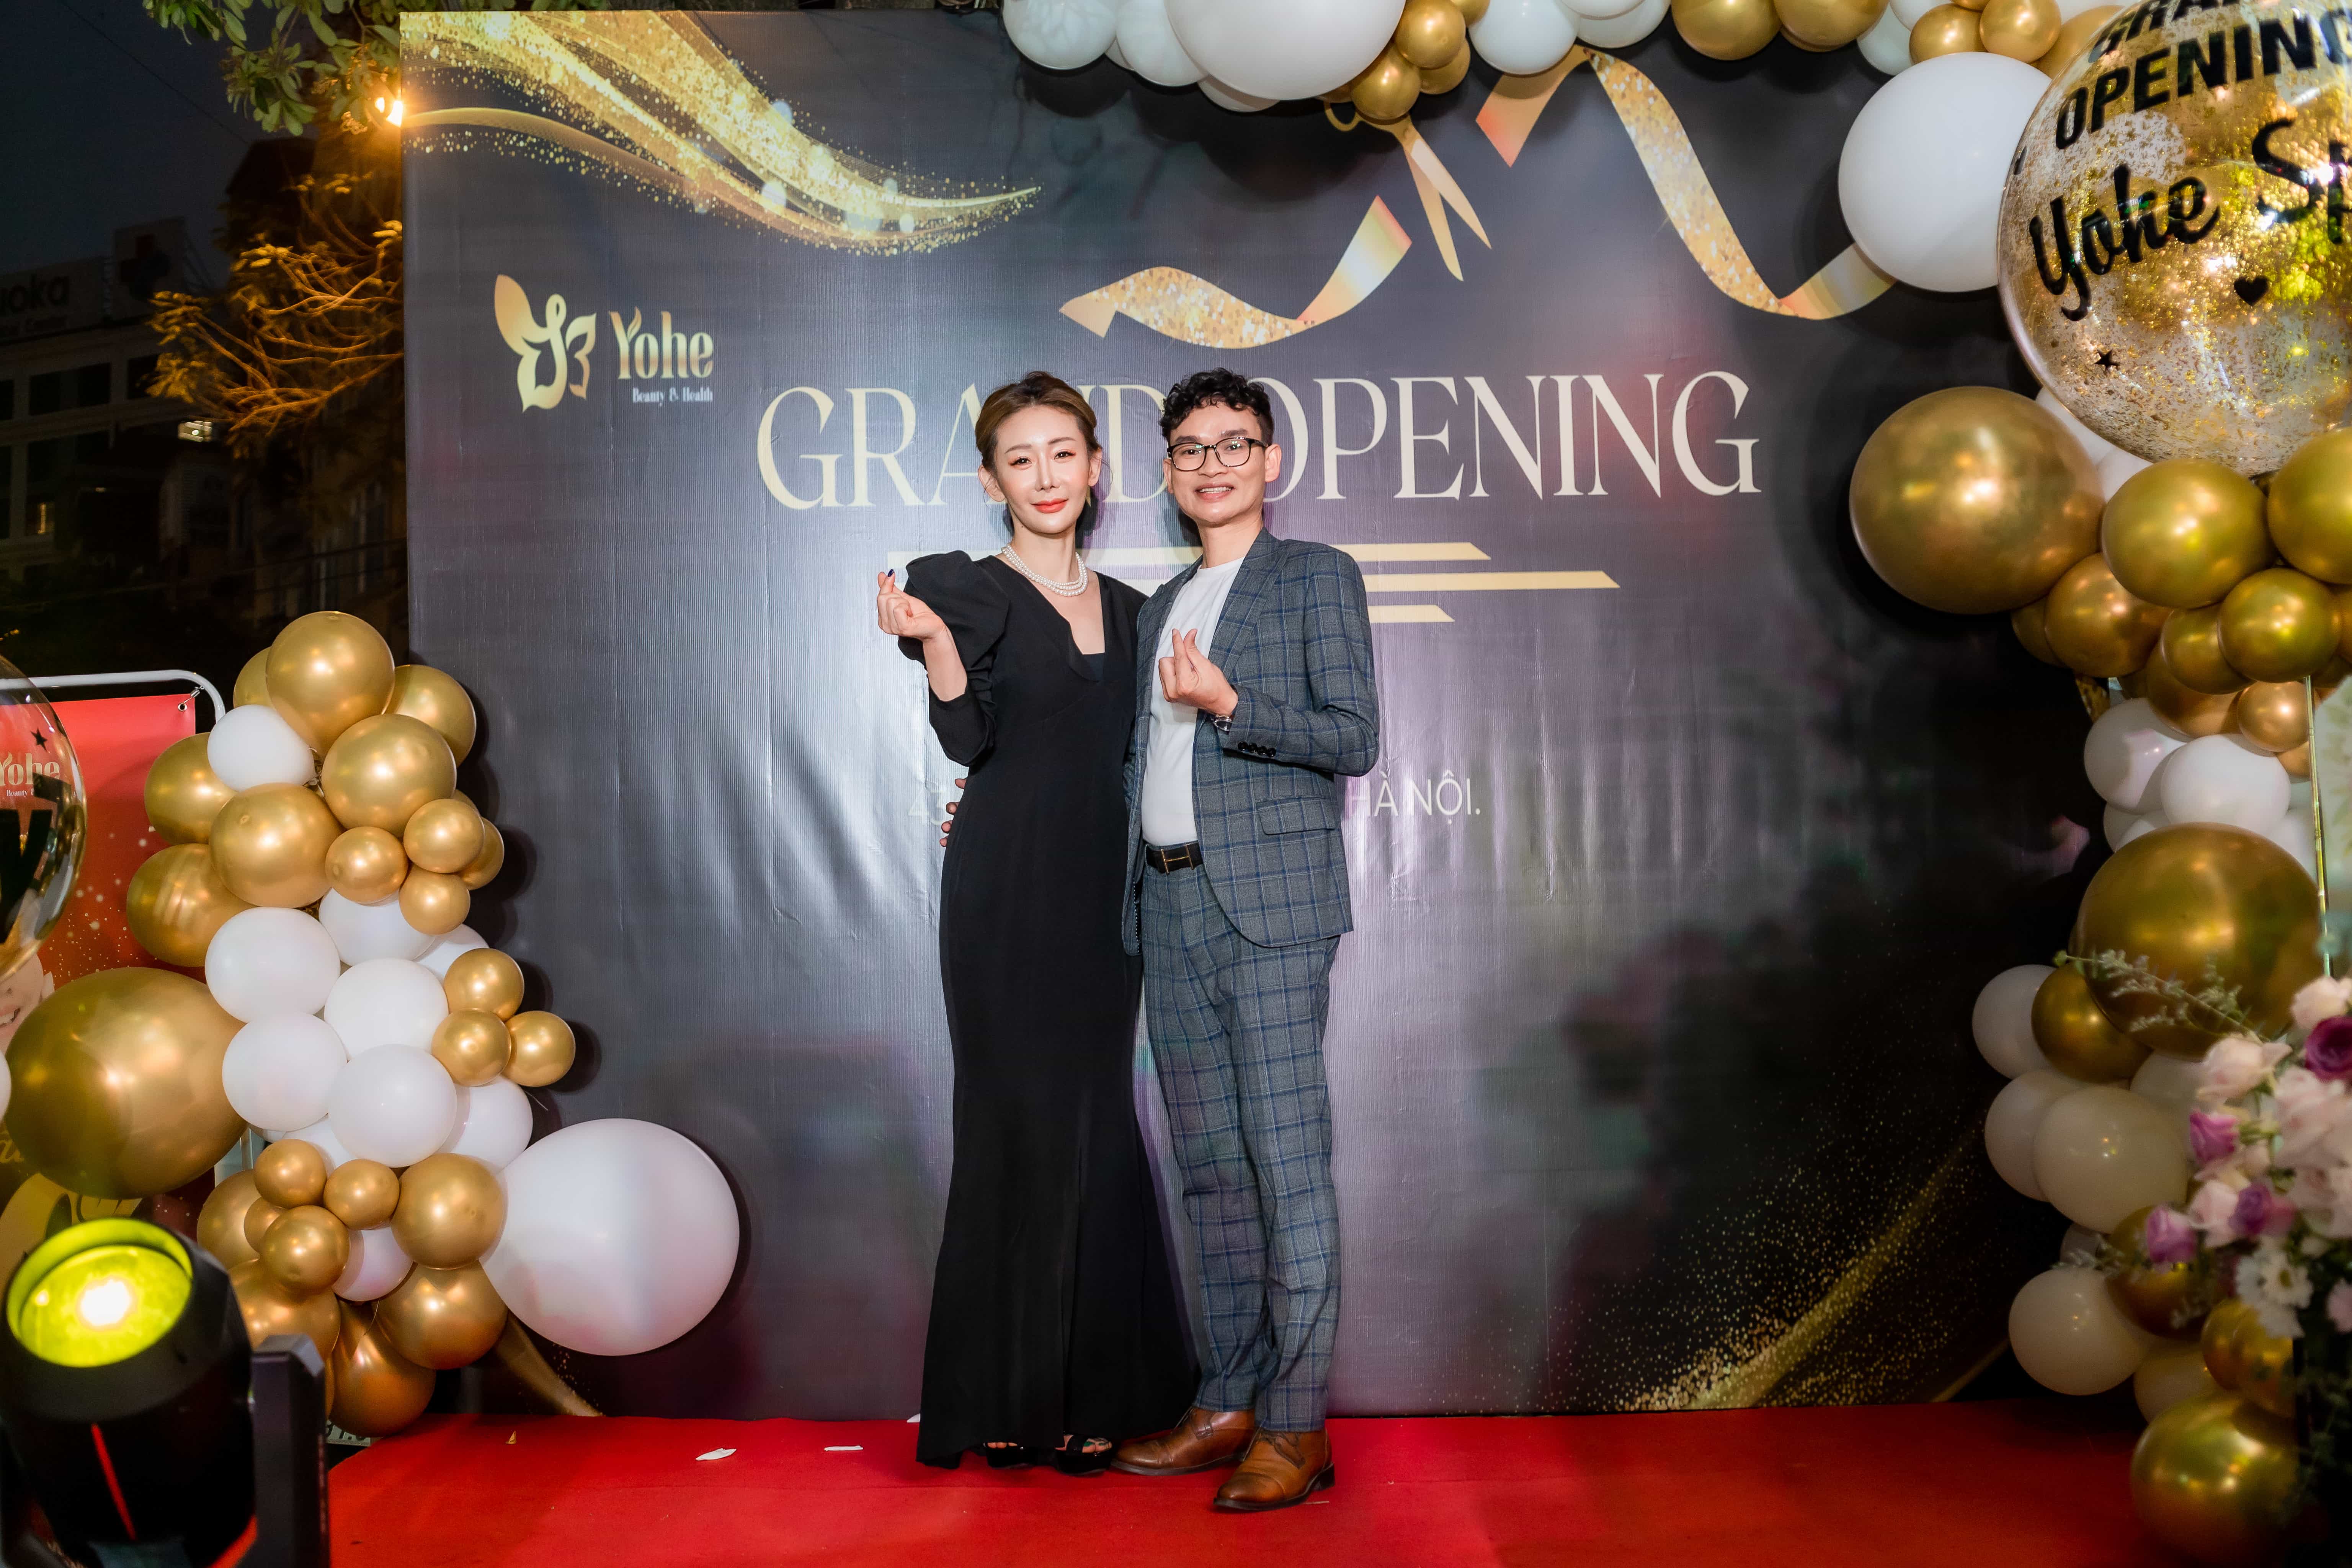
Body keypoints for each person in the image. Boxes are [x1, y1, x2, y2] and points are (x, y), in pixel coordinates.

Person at [875, 371, 1193, 1474]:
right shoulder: (964, 589)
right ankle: (1006, 1393)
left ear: (1097, 469)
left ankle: (1103, 1390)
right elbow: (968, 739)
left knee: (1097, 1123)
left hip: (1107, 899)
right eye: (1021, 459)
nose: (1046, 477)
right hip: (1004, 893)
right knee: (1011, 1124)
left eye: (1064, 454)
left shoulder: (1144, 612)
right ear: (990, 480)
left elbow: (1153, 760)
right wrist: (936, 645)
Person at [1106, 369, 1379, 1512]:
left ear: (1271, 461)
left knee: (1284, 1164)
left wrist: (1231, 705)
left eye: (1234, 443)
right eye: (1190, 448)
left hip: (1272, 911)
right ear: (1169, 470)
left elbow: (1354, 736)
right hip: (1168, 905)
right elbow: (1141, 760)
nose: (1212, 464)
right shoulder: (1159, 603)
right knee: (1211, 1171)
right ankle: (1226, 1400)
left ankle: (1297, 1424)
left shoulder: (1315, 576)